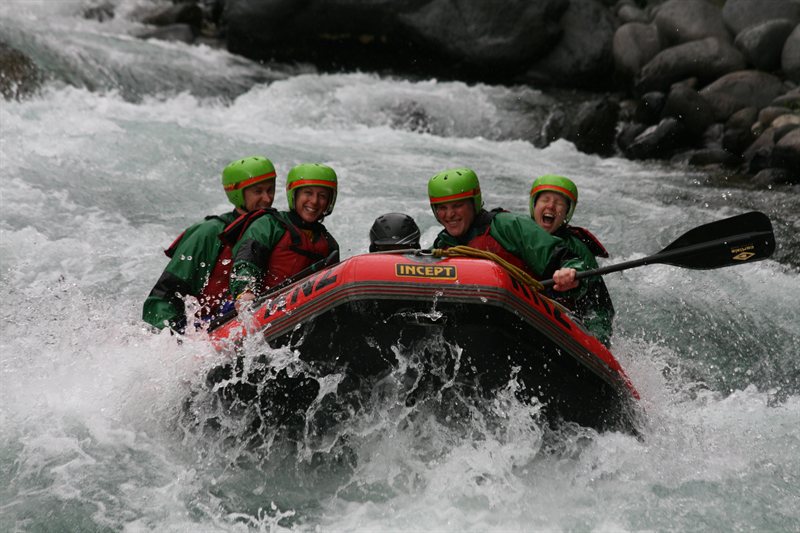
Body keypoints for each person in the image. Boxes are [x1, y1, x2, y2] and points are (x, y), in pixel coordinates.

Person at [143, 156, 278, 332]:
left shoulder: (275, 228)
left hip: (241, 316)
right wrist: (174, 334)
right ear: (238, 194)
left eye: (270, 190)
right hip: (203, 326)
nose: (267, 199)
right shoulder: (209, 232)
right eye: (258, 192)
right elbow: (164, 295)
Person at [428, 167, 585, 293]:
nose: (449, 214)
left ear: (473, 204)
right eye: (442, 208)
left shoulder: (508, 225)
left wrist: (570, 272)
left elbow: (565, 258)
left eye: (457, 206)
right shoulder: (442, 246)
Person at [230, 163, 339, 307]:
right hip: (263, 306)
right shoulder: (269, 225)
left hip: (303, 311)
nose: (314, 201)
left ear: (329, 201)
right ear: (294, 195)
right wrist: (245, 291)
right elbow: (247, 262)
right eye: (308, 193)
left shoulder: (329, 244)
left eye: (322, 196)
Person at [529, 174, 615, 345]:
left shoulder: (579, 250)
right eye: (545, 199)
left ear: (567, 212)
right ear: (534, 205)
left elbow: (601, 308)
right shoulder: (517, 232)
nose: (551, 206)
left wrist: (597, 340)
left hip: (564, 322)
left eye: (559, 203)